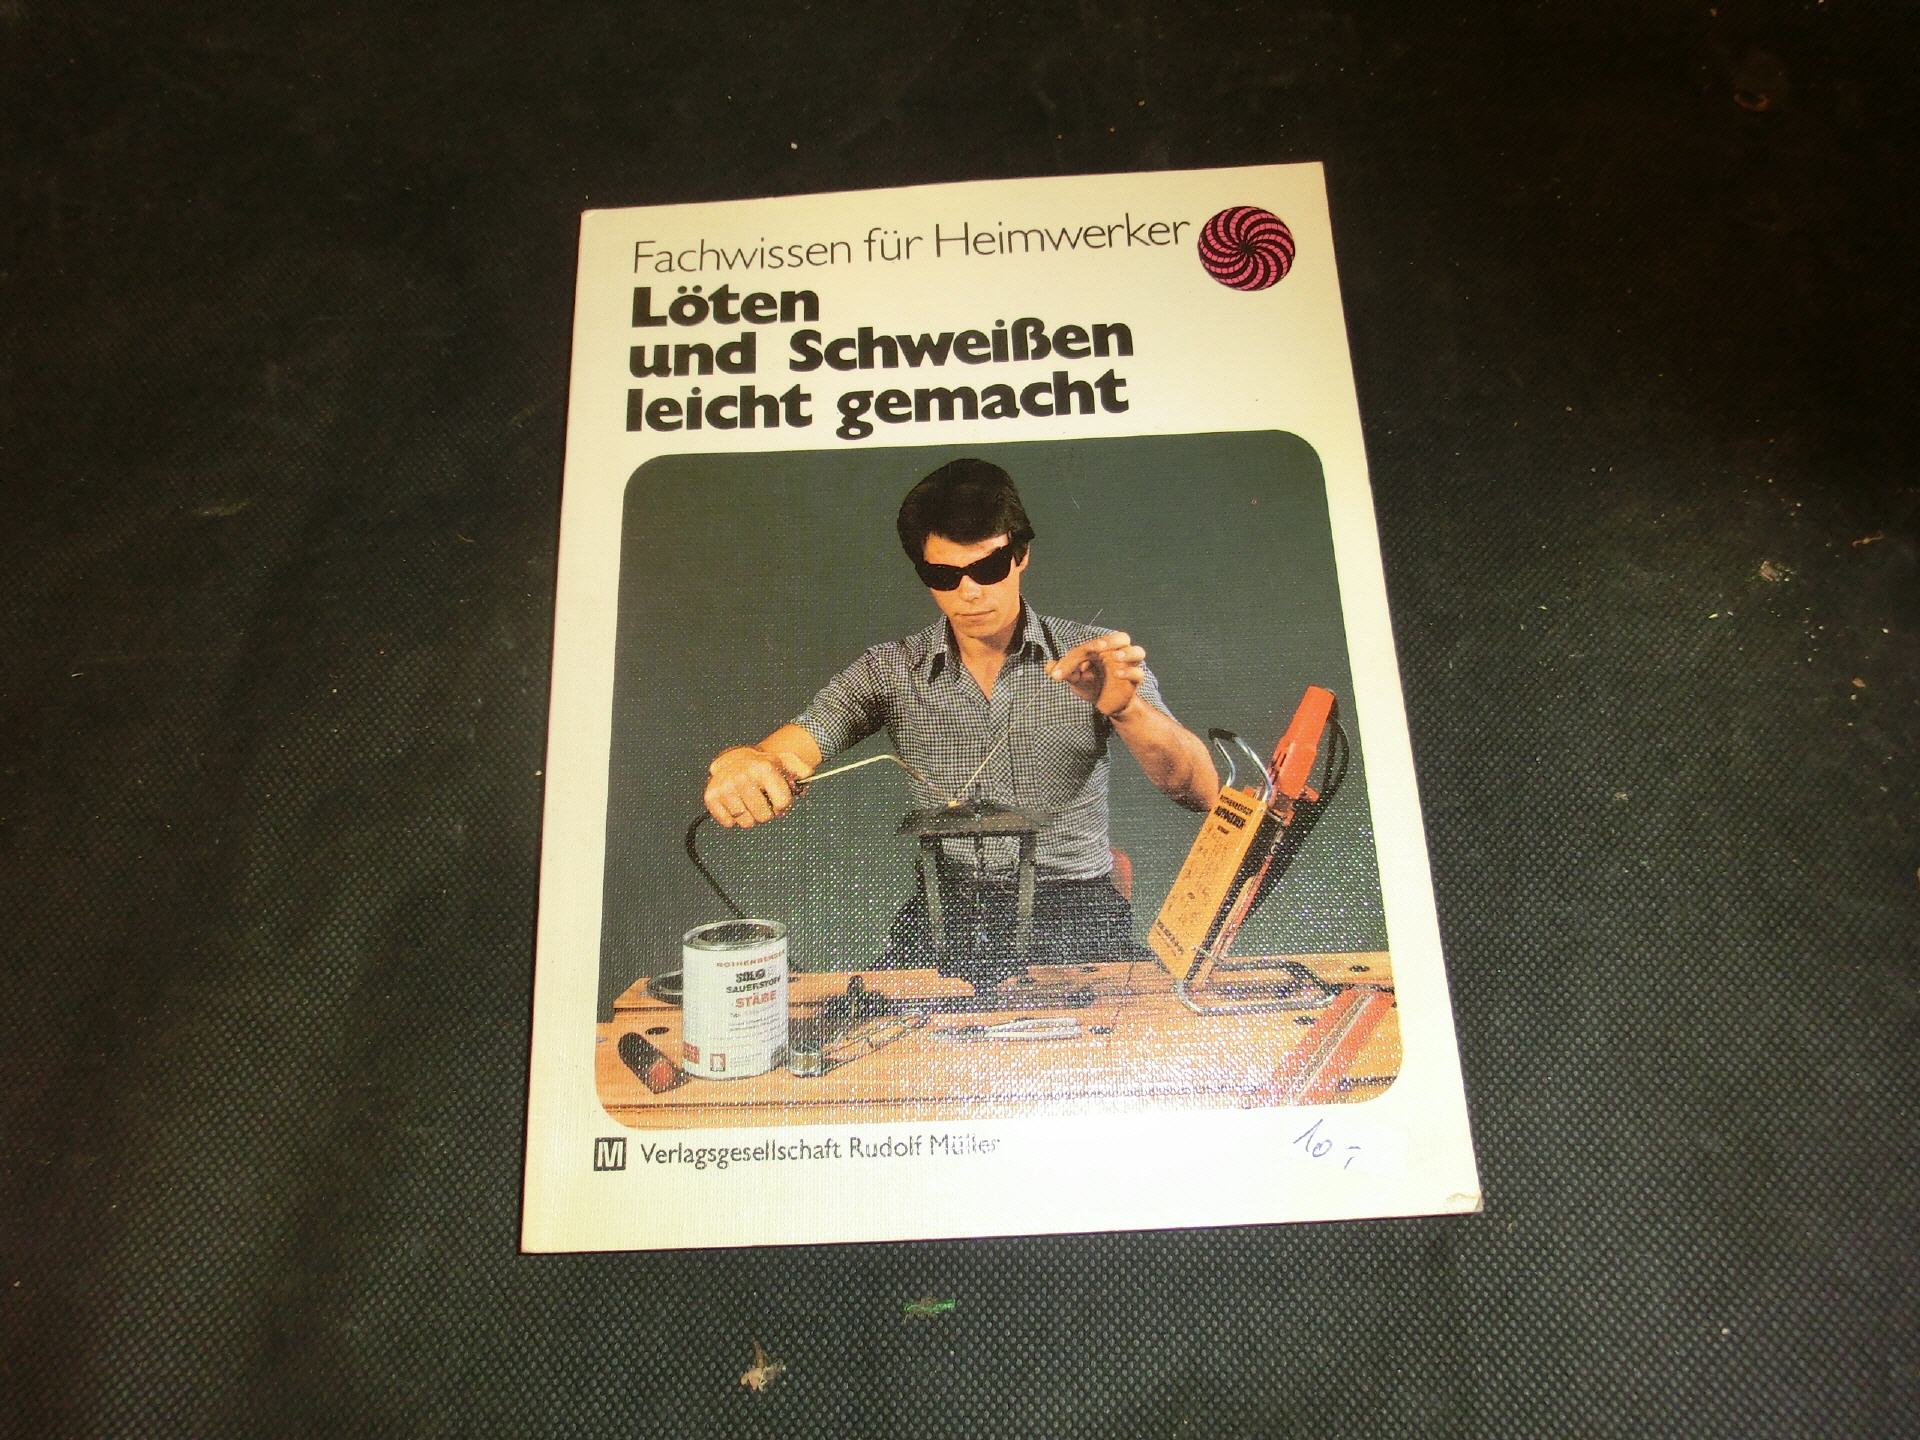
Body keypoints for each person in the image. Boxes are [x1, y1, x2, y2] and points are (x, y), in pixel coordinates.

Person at [701, 458, 1218, 976]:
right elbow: (795, 744)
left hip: (1075, 907)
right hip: (947, 911)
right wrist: (747, 763)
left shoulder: (1093, 658)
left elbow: (1201, 792)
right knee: (870, 1021)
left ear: (1020, 555)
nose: (969, 592)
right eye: (944, 576)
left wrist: (1127, 709)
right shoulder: (890, 670)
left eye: (988, 569)